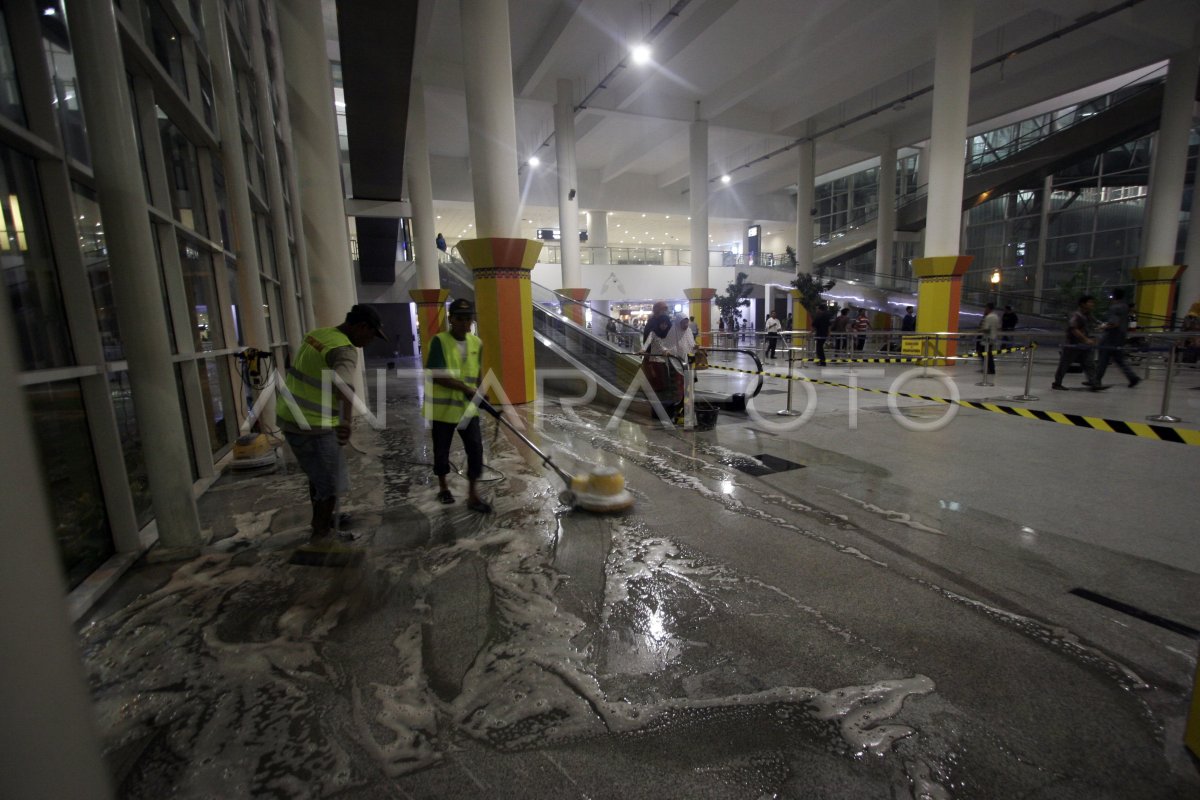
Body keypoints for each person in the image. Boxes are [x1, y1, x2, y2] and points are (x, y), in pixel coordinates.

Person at [278, 304, 386, 543]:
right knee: (332, 481)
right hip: (314, 424)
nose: (370, 341)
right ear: (360, 327)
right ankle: (322, 535)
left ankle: (322, 522)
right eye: (371, 335)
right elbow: (345, 385)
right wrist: (346, 421)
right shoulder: (344, 350)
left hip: (290, 415)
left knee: (319, 476)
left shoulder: (317, 335)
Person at [424, 298, 492, 513]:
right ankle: (443, 487)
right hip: (443, 410)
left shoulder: (476, 343)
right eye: (459, 319)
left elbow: (477, 372)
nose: (465, 323)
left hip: (467, 410)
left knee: (475, 450)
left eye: (468, 319)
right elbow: (437, 375)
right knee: (441, 450)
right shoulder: (439, 341)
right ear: (451, 319)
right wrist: (467, 389)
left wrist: (481, 391)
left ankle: (473, 495)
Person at [1052, 295, 1105, 391]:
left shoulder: (1088, 315)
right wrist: (1085, 339)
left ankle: (1094, 383)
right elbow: (1073, 329)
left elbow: (1096, 322)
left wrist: (1103, 325)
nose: (1092, 304)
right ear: (1082, 304)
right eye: (1090, 302)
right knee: (1065, 364)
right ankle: (1057, 383)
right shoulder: (1076, 315)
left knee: (1089, 363)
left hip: (1084, 346)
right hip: (1073, 345)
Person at [1094, 288, 1140, 388]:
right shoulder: (1125, 307)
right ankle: (1132, 377)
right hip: (1121, 337)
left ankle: (1096, 380)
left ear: (1113, 296)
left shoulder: (1114, 307)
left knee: (1103, 359)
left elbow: (1114, 323)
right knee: (1119, 359)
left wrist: (1102, 327)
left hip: (1110, 337)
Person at [978, 302, 1000, 375]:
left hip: (987, 338)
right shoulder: (996, 316)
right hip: (993, 337)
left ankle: (989, 369)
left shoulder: (988, 317)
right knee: (989, 354)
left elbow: (986, 328)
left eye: (986, 308)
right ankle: (990, 369)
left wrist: (981, 330)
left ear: (988, 308)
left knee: (984, 353)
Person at [811, 302, 832, 367]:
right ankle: (821, 361)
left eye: (817, 309)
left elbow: (814, 326)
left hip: (819, 334)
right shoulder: (827, 316)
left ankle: (822, 362)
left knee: (819, 348)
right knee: (820, 348)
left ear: (820, 309)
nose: (816, 310)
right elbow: (829, 326)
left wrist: (810, 333)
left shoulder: (819, 316)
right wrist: (829, 334)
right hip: (824, 334)